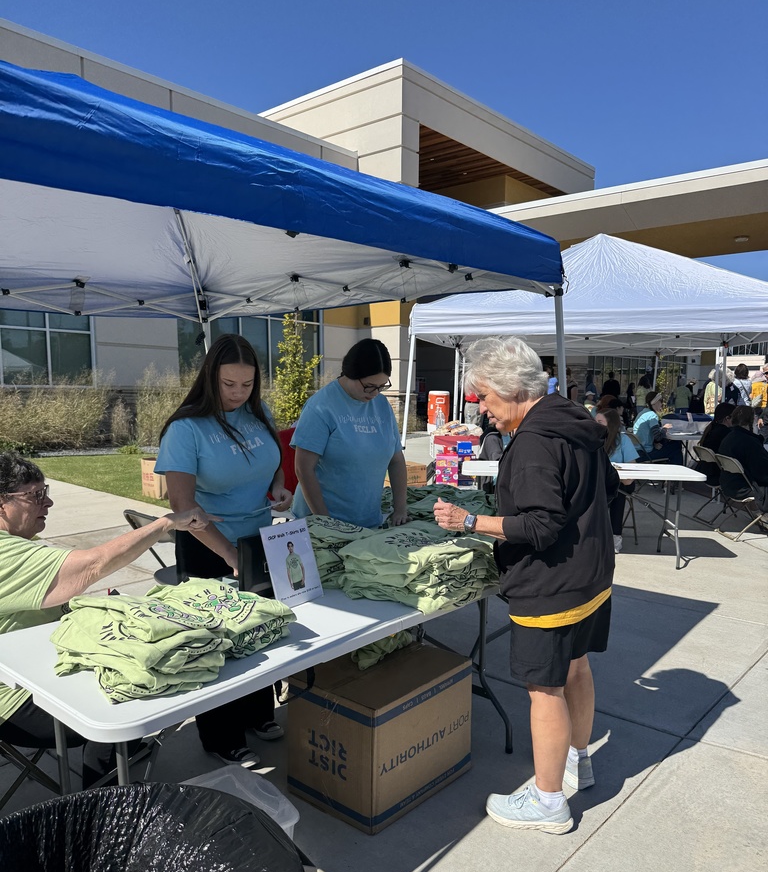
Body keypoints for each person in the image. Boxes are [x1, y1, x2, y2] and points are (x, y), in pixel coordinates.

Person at [432, 336, 619, 835]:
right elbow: (611, 485)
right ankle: (578, 761)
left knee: (544, 688)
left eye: (485, 399)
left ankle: (548, 800)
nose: (483, 411)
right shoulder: (571, 419)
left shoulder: (535, 442)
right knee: (576, 668)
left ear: (511, 390)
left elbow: (539, 526)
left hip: (553, 585)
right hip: (591, 575)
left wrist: (469, 522)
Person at [0, 452, 211, 786]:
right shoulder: (6, 553)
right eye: (35, 496)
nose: (49, 502)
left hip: (32, 669)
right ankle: (103, 810)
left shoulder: (20, 541)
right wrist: (165, 523)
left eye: (46, 491)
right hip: (13, 702)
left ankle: (116, 766)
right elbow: (91, 565)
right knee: (129, 690)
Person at [156, 333, 292, 768]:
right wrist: (230, 556)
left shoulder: (259, 414)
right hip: (208, 547)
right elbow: (182, 507)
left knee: (260, 632)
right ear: (209, 378)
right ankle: (220, 736)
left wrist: (278, 488)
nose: (238, 394)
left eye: (247, 385)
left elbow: (273, 466)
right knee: (218, 644)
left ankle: (258, 712)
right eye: (228, 384)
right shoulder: (185, 429)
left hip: (258, 540)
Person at [292, 338, 408, 528]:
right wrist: (325, 521)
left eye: (381, 386)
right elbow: (303, 469)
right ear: (351, 373)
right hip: (321, 520)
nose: (374, 393)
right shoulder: (321, 406)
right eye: (369, 386)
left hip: (367, 519)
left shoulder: (382, 406)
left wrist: (400, 509)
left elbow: (396, 460)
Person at [595, 408, 639, 553]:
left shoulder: (623, 440)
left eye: (599, 422)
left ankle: (615, 537)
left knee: (618, 493)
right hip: (598, 482)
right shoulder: (592, 439)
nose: (595, 425)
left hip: (619, 483)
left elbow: (630, 474)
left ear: (610, 424)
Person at [717, 405, 768, 514]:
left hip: (728, 483)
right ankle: (761, 516)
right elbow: (762, 472)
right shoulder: (749, 442)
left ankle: (757, 514)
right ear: (752, 420)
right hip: (744, 488)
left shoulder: (728, 437)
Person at [632, 391, 684, 464]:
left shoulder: (641, 413)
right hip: (646, 452)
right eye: (660, 401)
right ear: (655, 402)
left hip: (636, 451)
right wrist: (665, 428)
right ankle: (678, 470)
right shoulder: (652, 416)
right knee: (676, 446)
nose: (662, 404)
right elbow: (658, 437)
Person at [694, 402, 735, 484]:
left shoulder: (711, 429)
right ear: (727, 418)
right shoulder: (726, 433)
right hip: (718, 475)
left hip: (707, 471)